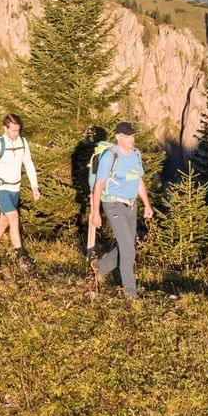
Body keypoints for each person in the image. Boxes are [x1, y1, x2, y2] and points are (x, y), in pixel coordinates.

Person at [87, 121, 152, 301]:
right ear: (118, 137)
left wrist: (147, 204)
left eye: (132, 135)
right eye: (127, 136)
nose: (131, 139)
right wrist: (95, 212)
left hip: (131, 204)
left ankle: (101, 267)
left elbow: (138, 180)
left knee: (128, 244)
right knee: (128, 249)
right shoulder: (110, 156)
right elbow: (98, 186)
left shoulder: (136, 154)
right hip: (113, 204)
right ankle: (130, 293)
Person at [0, 113, 40, 272]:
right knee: (14, 217)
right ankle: (21, 256)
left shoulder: (23, 142)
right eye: (12, 130)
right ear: (5, 128)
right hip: (0, 188)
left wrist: (34, 186)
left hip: (15, 187)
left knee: (5, 221)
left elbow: (28, 163)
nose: (15, 134)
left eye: (18, 130)